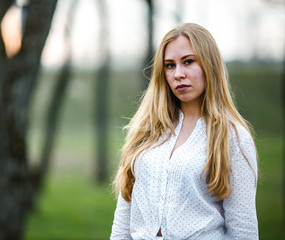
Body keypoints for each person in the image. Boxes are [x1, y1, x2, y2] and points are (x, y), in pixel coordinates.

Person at [110, 23, 258, 240]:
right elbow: (123, 219)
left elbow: (243, 232)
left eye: (188, 62)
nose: (178, 74)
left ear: (209, 65)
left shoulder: (232, 137)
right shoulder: (147, 130)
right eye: (170, 65)